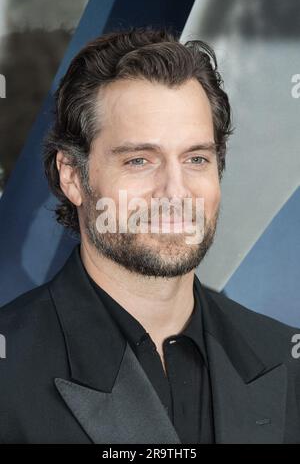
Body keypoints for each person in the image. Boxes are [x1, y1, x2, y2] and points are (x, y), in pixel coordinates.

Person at [0, 26, 299, 444]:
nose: (175, 192)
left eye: (196, 158)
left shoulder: (284, 356)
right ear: (72, 176)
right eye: (140, 160)